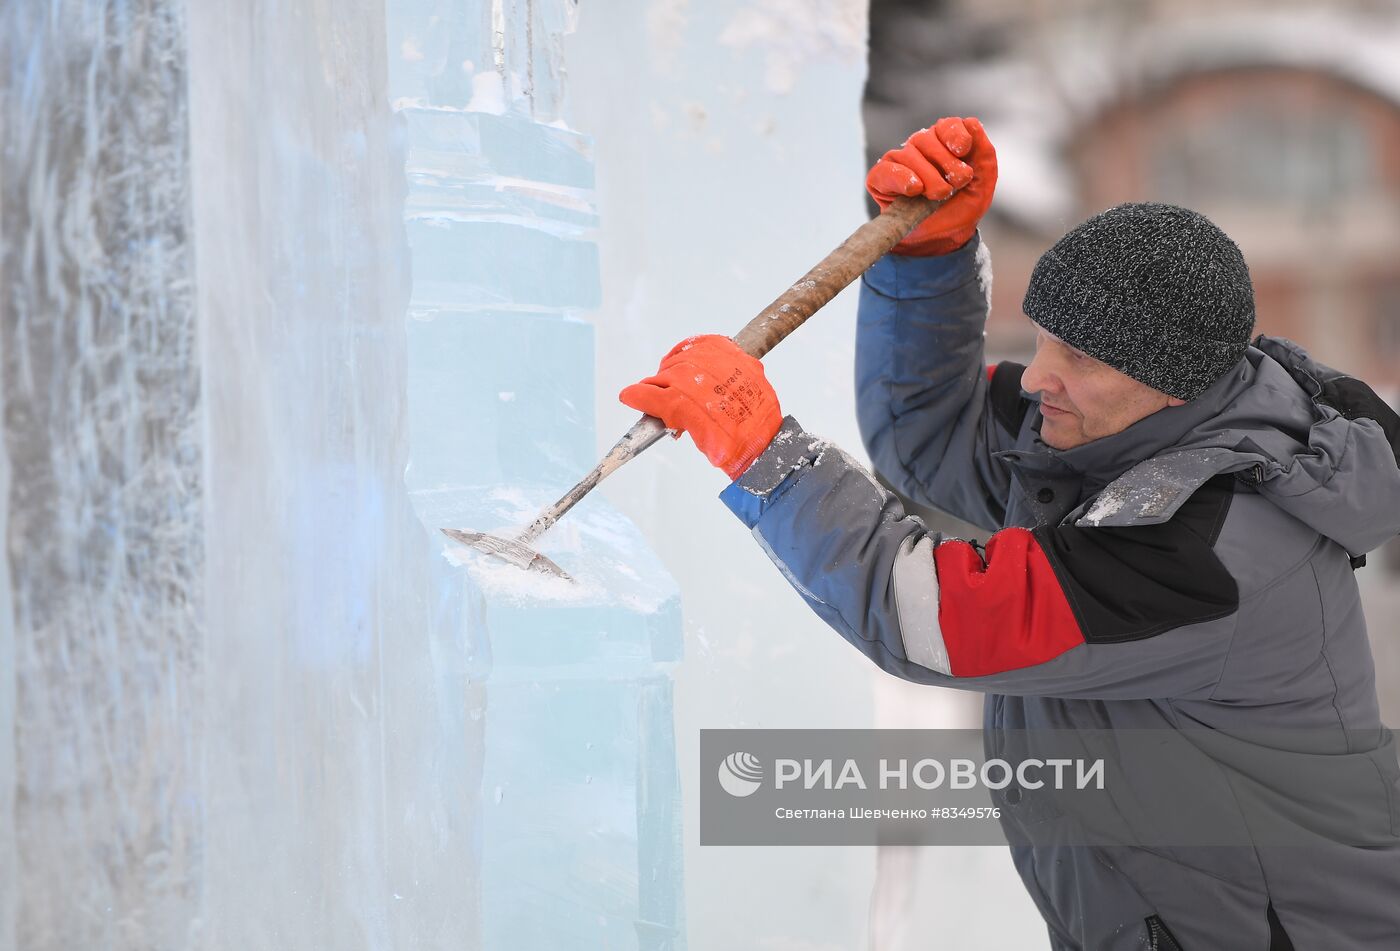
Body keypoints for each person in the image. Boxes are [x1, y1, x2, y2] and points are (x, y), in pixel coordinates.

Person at [619, 116, 1400, 949]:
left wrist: (766, 454)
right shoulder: (1112, 438)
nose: (1037, 377)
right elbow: (931, 433)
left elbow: (936, 617)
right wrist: (928, 260)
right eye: (1043, 338)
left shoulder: (1216, 542)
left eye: (1081, 358)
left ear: (1172, 384)